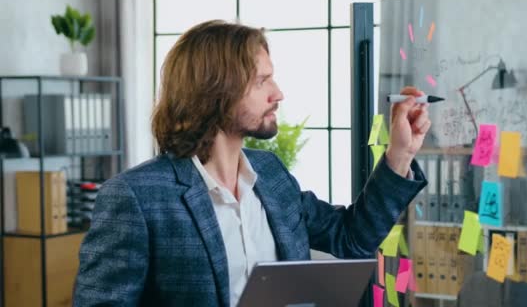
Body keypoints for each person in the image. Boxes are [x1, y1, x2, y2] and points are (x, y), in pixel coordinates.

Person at [73, 20, 431, 307]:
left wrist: (400, 153)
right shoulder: (135, 197)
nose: (278, 93)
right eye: (262, 81)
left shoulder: (271, 174)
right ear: (217, 90)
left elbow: (352, 238)